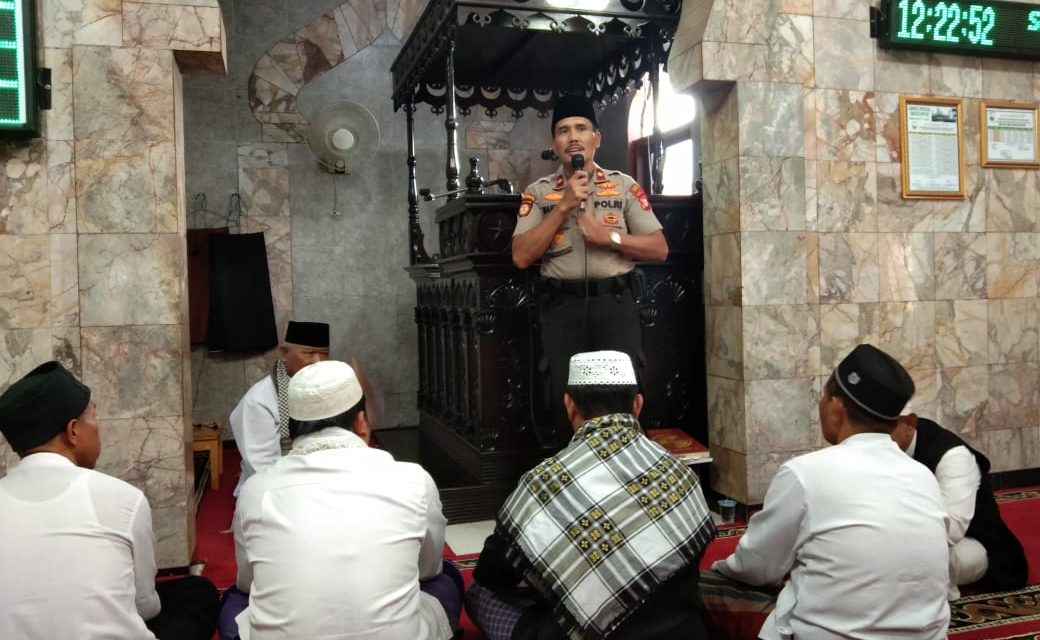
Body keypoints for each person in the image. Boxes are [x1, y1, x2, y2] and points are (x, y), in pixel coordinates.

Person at [466, 350, 716, 640]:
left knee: (480, 595)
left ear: (569, 405)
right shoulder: (680, 472)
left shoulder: (542, 484)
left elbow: (492, 574)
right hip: (679, 632)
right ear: (637, 405)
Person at [708, 344, 951, 639]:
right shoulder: (924, 476)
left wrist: (721, 570)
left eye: (822, 397)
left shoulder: (806, 473)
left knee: (701, 590)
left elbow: (756, 567)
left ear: (837, 407)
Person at [224, 360, 461, 640]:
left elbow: (248, 581)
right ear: (360, 421)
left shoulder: (256, 491)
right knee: (447, 577)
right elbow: (428, 568)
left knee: (233, 601)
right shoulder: (413, 479)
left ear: (292, 428)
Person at [0, 361, 219, 639]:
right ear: (73, 431)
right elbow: (145, 605)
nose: (99, 429)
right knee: (196, 593)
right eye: (93, 417)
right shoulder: (121, 499)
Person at [512, 94, 669, 444]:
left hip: (615, 306)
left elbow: (658, 248)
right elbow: (522, 256)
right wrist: (563, 206)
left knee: (623, 396)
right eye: (564, 130)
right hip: (561, 310)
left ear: (597, 138)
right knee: (563, 399)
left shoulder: (624, 186)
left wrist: (610, 237)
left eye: (581, 128)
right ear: (554, 143)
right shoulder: (538, 193)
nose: (573, 137)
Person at [893, 408, 1028, 599]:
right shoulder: (884, 451)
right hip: (912, 532)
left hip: (973, 544)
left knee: (901, 556)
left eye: (884, 429)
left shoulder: (953, 457)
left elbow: (950, 530)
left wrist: (887, 538)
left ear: (909, 423)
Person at [229, 320, 330, 496]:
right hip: (275, 488)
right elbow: (262, 467)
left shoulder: (329, 388)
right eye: (309, 353)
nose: (317, 362)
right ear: (284, 353)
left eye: (324, 354)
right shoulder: (258, 401)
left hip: (319, 480)